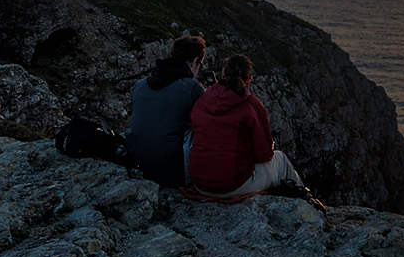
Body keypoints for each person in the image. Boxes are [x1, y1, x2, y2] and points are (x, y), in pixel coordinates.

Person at [188, 54, 317, 204]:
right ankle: (306, 204)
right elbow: (264, 155)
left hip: (200, 183)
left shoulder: (203, 99)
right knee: (280, 160)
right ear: (249, 80)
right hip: (231, 185)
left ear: (223, 73)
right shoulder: (250, 106)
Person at [125, 36, 206, 187]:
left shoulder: (140, 85)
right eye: (200, 64)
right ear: (194, 61)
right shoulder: (192, 88)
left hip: (135, 163)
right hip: (173, 173)